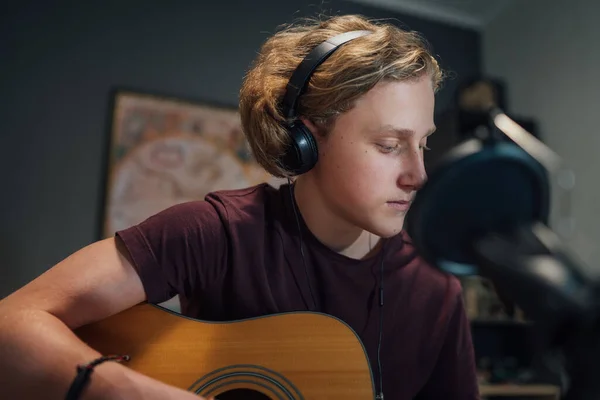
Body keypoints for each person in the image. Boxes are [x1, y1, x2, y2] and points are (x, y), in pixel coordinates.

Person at [0, 14, 480, 400]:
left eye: (423, 144)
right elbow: (12, 325)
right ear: (306, 140)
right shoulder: (213, 232)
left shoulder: (436, 291)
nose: (418, 175)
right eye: (389, 144)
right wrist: (124, 389)